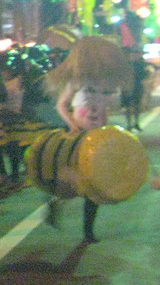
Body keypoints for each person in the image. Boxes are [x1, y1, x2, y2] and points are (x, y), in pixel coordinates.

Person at [43, 35, 132, 242]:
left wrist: (106, 129)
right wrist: (73, 125)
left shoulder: (103, 84)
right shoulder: (75, 80)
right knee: (73, 179)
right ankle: (54, 203)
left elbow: (103, 110)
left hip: (95, 137)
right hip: (78, 136)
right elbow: (61, 105)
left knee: (94, 183)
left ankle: (88, 231)